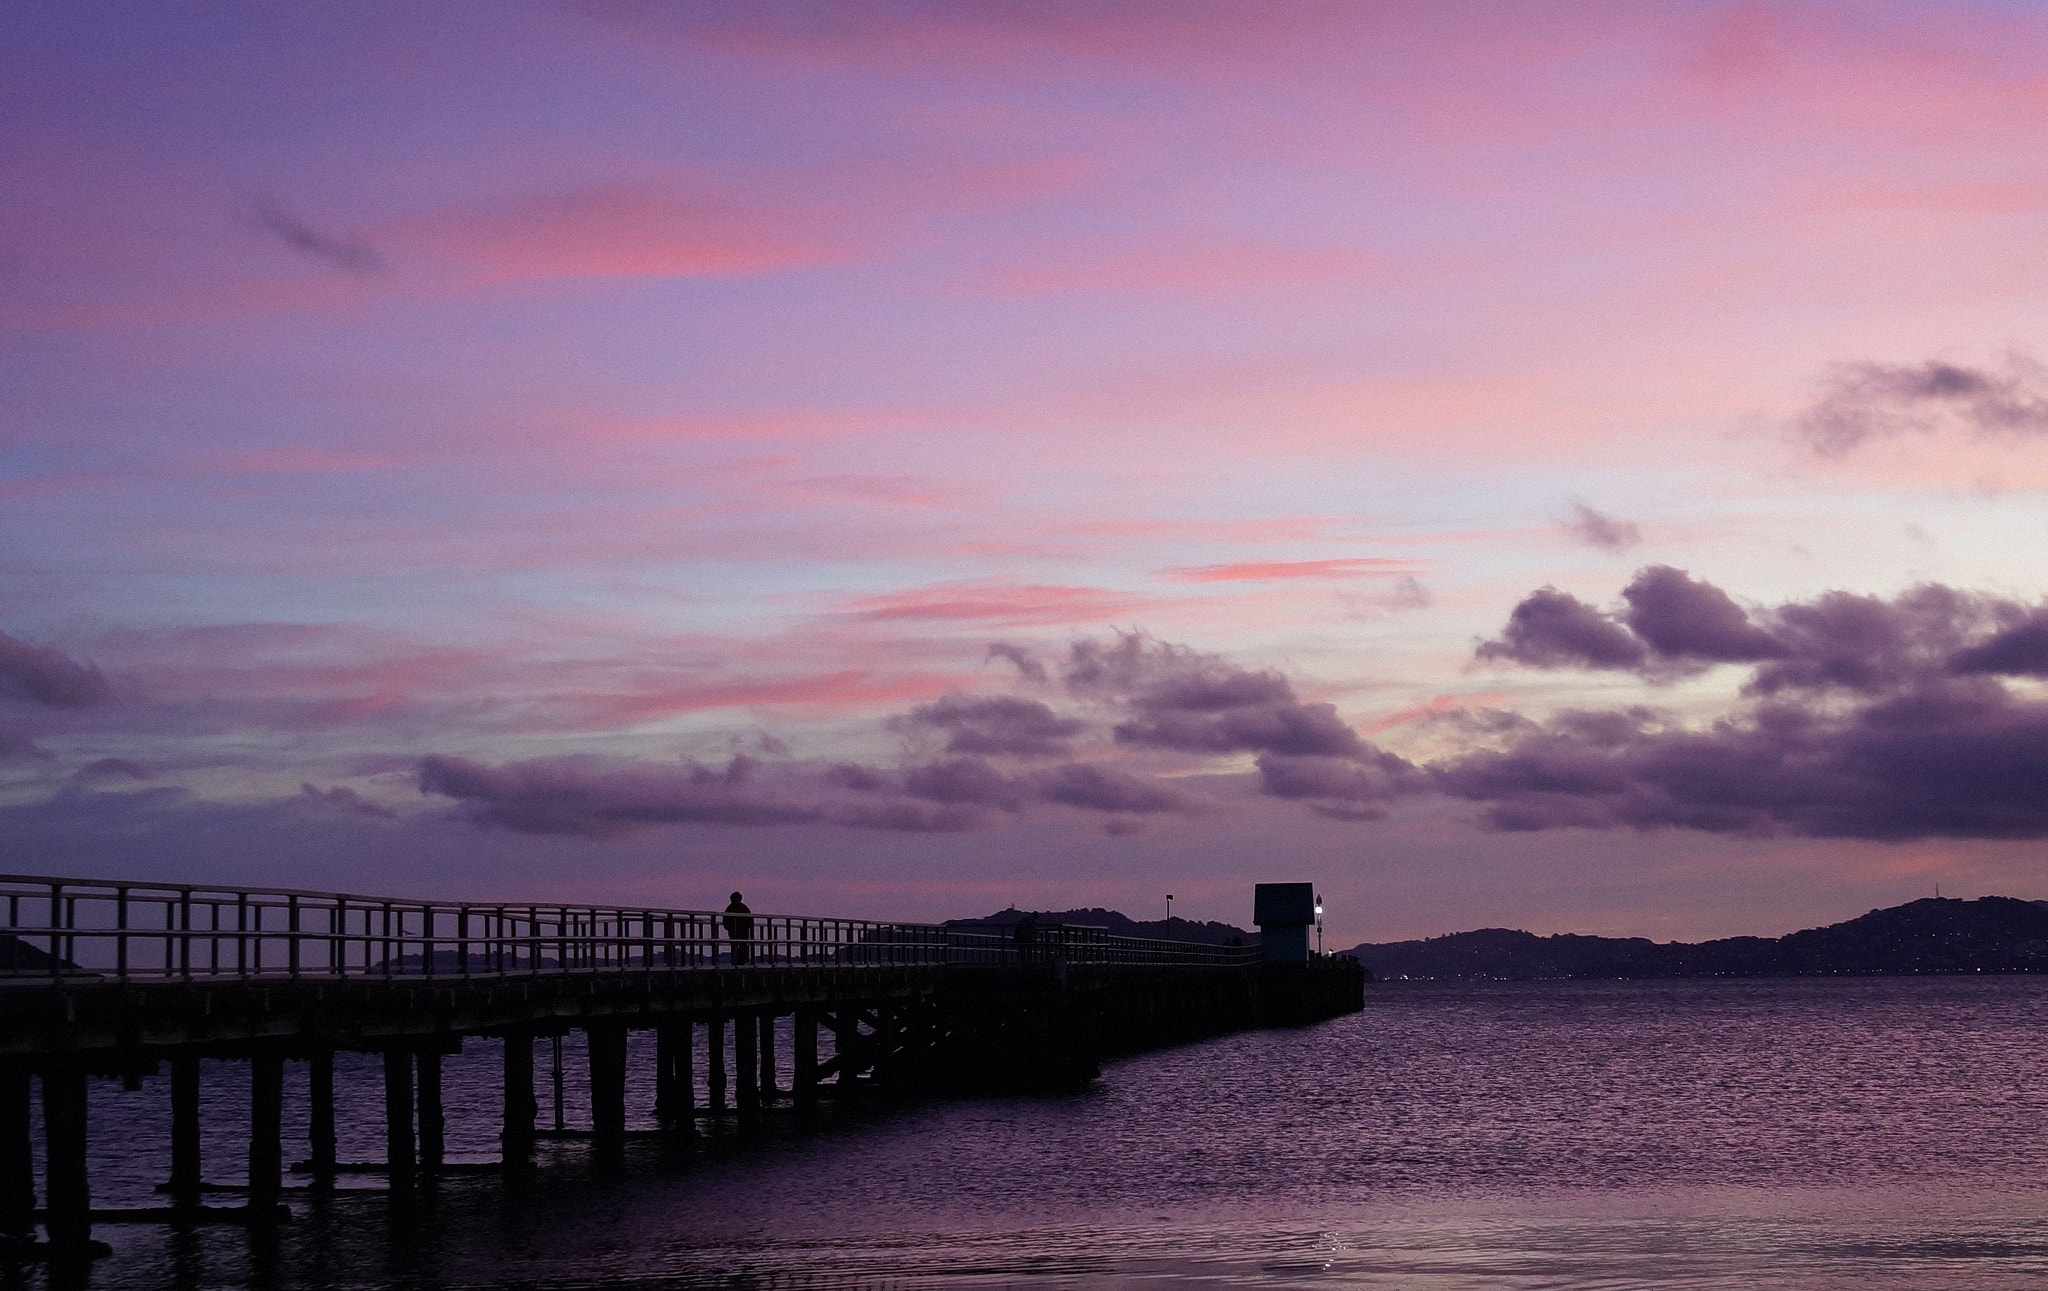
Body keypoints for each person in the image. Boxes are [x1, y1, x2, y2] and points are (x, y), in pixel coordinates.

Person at [723, 892, 755, 966]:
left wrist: (729, 928)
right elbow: (750, 919)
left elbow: (725, 920)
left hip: (737, 931)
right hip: (742, 931)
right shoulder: (743, 907)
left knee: (736, 946)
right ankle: (741, 961)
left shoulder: (730, 908)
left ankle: (737, 961)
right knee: (742, 946)